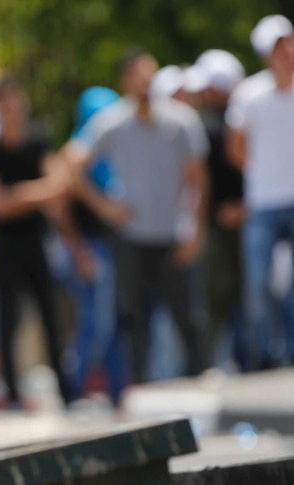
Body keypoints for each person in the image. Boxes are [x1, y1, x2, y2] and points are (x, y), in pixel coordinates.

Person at [62, 49, 209, 384]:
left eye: (150, 75)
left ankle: (200, 377)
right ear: (126, 81)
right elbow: (72, 163)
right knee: (133, 314)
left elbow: (198, 180)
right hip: (132, 234)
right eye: (138, 76)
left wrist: (195, 229)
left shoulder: (181, 120)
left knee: (188, 313)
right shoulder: (111, 122)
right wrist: (104, 206)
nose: (146, 83)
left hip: (173, 232)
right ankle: (140, 384)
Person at [0, 77, 73, 407]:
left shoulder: (38, 143)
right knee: (8, 319)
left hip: (37, 242)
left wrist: (19, 192)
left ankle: (66, 390)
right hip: (6, 247)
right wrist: (38, 191)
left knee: (51, 316)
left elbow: (60, 185)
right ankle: (13, 392)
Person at [226, 15, 294, 369]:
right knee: (258, 283)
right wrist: (264, 171)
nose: (285, 52)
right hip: (264, 202)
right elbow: (235, 147)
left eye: (288, 43)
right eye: (277, 47)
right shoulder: (249, 95)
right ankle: (266, 356)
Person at [56, 86, 127, 404]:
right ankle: (74, 385)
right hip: (87, 248)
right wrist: (79, 250)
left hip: (109, 246)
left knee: (111, 321)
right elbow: (61, 208)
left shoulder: (108, 150)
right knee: (96, 321)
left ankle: (117, 390)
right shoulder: (75, 152)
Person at [187, 50, 248, 369]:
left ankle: (223, 362)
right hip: (224, 221)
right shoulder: (233, 120)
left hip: (228, 221)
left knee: (223, 300)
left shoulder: (216, 125)